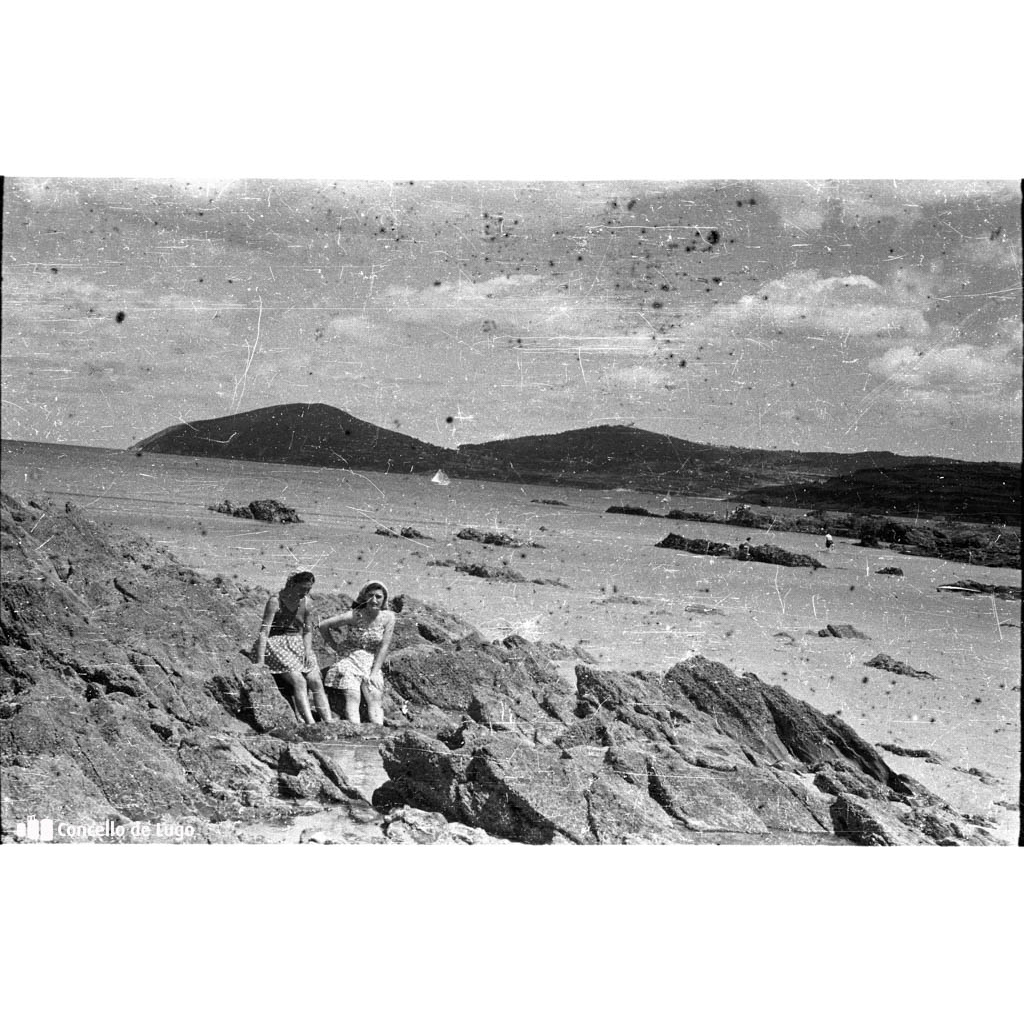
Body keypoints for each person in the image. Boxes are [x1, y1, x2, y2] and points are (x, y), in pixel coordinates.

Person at [253, 571, 332, 725]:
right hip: (275, 643)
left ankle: (328, 721)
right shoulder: (276, 601)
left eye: (308, 589)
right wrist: (260, 661)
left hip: (297, 644)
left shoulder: (307, 603)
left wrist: (308, 651)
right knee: (299, 681)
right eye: (302, 588)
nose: (305, 593)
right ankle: (311, 723)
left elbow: (308, 631)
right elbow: (264, 631)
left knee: (315, 680)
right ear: (292, 584)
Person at [319, 580, 395, 725]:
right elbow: (323, 625)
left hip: (371, 661)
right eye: (370, 595)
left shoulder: (388, 618)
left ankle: (377, 734)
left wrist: (374, 672)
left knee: (374, 696)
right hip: (350, 658)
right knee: (353, 696)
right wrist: (335, 646)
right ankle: (356, 731)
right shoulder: (354, 615)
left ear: (384, 599)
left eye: (378, 596)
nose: (374, 600)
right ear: (364, 597)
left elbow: (383, 647)